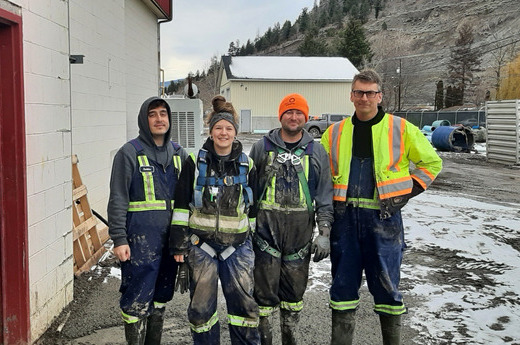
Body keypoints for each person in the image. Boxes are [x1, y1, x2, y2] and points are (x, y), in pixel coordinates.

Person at [321, 69, 443, 345]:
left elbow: (432, 163)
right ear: (351, 96)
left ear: (379, 96)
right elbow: (321, 175)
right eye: (359, 92)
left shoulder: (401, 128)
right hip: (345, 221)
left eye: (370, 93)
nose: (364, 98)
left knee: (388, 289)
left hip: (384, 221)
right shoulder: (335, 132)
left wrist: (407, 192)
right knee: (342, 289)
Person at [169, 95, 260, 344]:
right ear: (210, 132)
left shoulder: (247, 165)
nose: (223, 133)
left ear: (235, 133)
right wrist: (179, 245)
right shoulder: (194, 163)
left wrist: (253, 242)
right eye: (218, 128)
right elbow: (180, 206)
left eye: (229, 128)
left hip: (238, 249)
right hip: (201, 248)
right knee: (201, 312)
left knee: (244, 310)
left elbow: (254, 209)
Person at [249, 93, 334, 345]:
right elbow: (249, 190)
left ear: (305, 118)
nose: (294, 117)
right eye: (289, 112)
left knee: (294, 296)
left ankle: (290, 338)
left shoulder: (316, 151)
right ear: (281, 116)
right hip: (265, 237)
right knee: (263, 297)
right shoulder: (261, 147)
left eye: (298, 113)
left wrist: (325, 233)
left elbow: (325, 196)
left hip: (300, 239)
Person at [108, 96, 188, 344]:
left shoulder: (179, 154)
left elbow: (189, 202)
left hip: (170, 244)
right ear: (144, 119)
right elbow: (118, 198)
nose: (159, 119)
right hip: (139, 243)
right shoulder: (130, 153)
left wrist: (185, 241)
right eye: (152, 114)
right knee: (135, 302)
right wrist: (119, 238)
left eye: (163, 113)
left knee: (161, 298)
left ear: (169, 119)